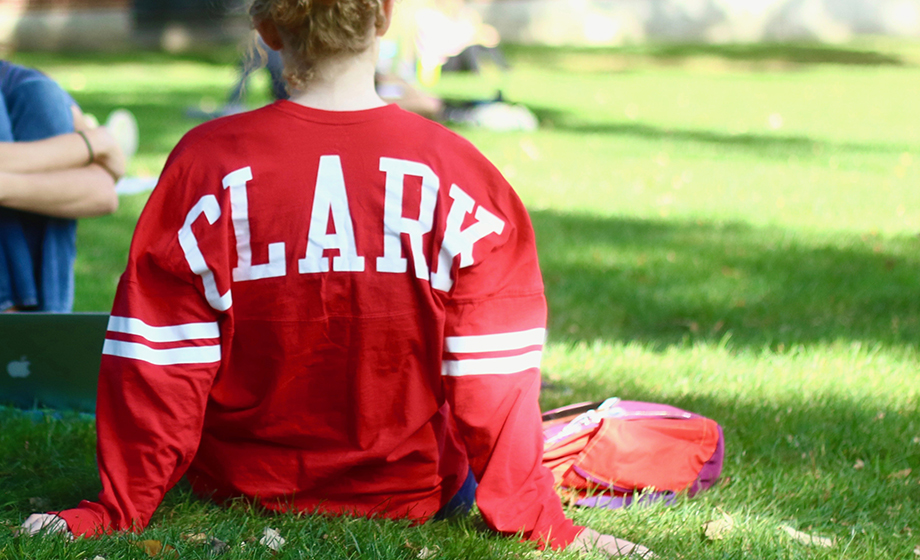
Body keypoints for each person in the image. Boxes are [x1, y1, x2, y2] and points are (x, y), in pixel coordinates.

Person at [20, 1, 652, 557]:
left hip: (238, 481)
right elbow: (494, 375)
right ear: (382, 15)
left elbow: (160, 361)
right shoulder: (461, 172)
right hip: (413, 487)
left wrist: (118, 506)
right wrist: (538, 518)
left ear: (267, 28)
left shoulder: (204, 165)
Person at [0, 61, 123, 312]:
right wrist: (93, 142)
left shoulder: (32, 86)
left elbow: (103, 190)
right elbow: (107, 147)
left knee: (42, 95)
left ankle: (34, 322)